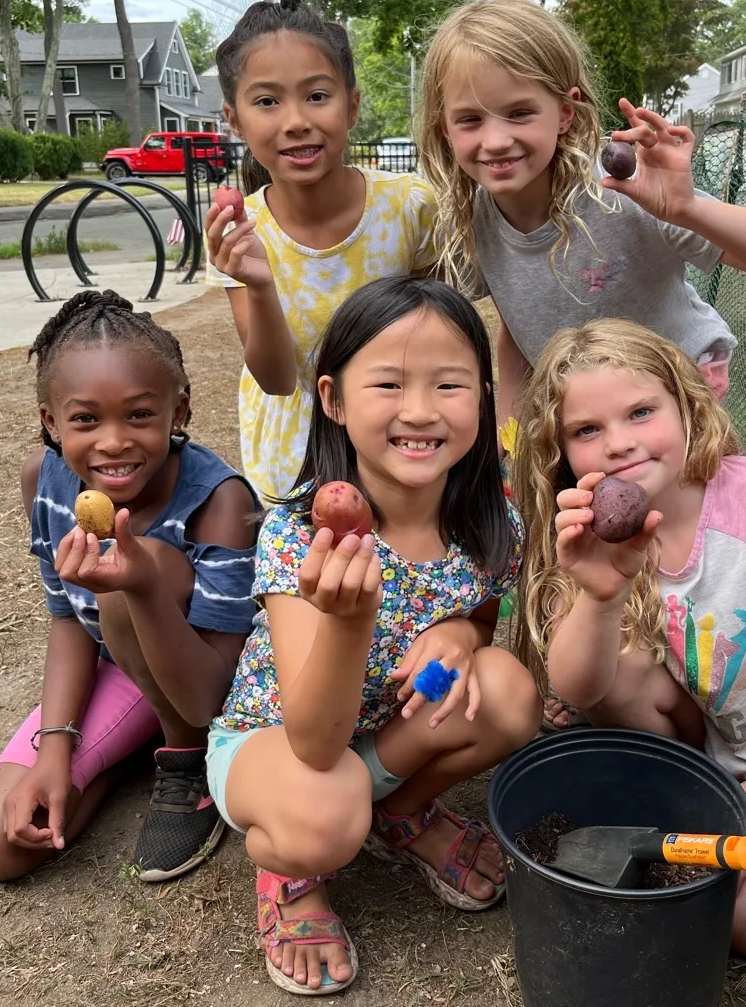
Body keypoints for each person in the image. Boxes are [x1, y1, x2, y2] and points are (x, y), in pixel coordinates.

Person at [511, 318, 746, 959]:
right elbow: (580, 688)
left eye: (640, 412)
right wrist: (600, 595)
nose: (618, 444)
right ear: (561, 451)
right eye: (586, 430)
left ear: (688, 405)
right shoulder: (589, 535)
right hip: (722, 750)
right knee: (623, 663)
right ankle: (692, 796)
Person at [207, 276, 541, 995]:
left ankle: (399, 814)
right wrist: (351, 621)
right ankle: (291, 876)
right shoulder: (300, 535)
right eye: (387, 384)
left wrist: (460, 631)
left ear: (483, 400)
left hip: (391, 734)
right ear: (332, 399)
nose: (419, 411)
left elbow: (481, 615)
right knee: (324, 817)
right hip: (278, 747)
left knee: (510, 693)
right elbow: (315, 744)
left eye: (450, 385)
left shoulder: (491, 528)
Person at [0, 291, 259, 884]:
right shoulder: (43, 480)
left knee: (130, 569)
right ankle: (118, 755)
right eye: (86, 419)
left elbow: (211, 693)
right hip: (117, 669)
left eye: (140, 415)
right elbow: (67, 619)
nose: (114, 441)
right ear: (51, 421)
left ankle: (184, 761)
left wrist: (143, 585)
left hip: (199, 682)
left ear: (179, 412)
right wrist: (55, 751)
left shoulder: (221, 501)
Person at [416, 0, 746, 427]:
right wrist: (510, 433)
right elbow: (519, 323)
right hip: (585, 406)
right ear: (444, 129)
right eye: (470, 120)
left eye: (519, 113)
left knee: (671, 494)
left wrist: (687, 209)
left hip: (678, 383)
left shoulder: (620, 190)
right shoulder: (471, 221)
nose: (495, 140)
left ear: (565, 112)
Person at [205, 0, 437, 505]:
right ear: (234, 119)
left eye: (317, 96)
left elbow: (438, 339)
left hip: (402, 434)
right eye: (267, 101)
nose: (295, 121)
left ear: (351, 106)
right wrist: (259, 284)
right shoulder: (243, 231)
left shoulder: (409, 207)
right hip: (298, 456)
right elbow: (277, 379)